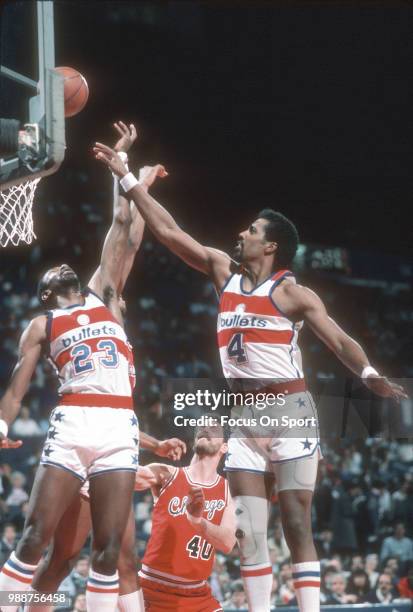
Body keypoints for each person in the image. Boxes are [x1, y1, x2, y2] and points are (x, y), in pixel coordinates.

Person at [93, 139, 407, 612]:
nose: (242, 233)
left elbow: (339, 339)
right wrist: (127, 177)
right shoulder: (223, 270)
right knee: (248, 526)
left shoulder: (292, 294)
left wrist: (367, 372)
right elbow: (169, 231)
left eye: (252, 230)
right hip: (244, 415)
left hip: (290, 410)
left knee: (296, 522)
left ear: (271, 244)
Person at [0, 123, 168, 612]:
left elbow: (123, 229)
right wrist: (2, 423)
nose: (60, 267)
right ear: (48, 293)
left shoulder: (105, 296)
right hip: (73, 422)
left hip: (118, 422)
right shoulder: (42, 323)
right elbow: (16, 387)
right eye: (51, 274)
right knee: (35, 539)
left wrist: (122, 170)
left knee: (108, 551)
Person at [135, 420, 236, 611]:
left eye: (214, 428)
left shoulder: (228, 491)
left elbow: (227, 543)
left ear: (225, 446)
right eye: (202, 427)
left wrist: (198, 522)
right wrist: (153, 445)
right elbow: (120, 474)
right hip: (152, 588)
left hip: (198, 594)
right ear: (194, 441)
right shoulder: (167, 474)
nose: (206, 428)